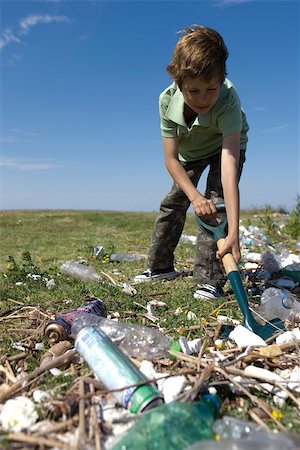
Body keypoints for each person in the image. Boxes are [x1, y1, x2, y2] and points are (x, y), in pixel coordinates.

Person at [134, 25, 249, 300]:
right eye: (193, 90)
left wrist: (233, 232)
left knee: (215, 203)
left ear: (222, 79)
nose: (204, 98)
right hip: (190, 153)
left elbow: (229, 169)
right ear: (179, 82)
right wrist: (195, 197)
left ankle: (211, 279)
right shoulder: (166, 101)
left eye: (212, 88)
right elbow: (171, 160)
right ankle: (160, 267)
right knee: (174, 202)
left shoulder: (228, 100)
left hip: (226, 147)